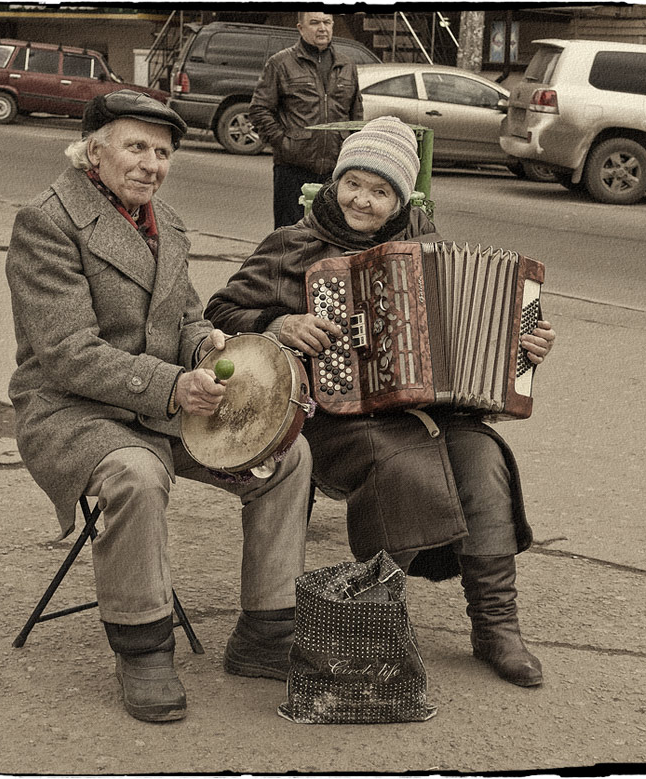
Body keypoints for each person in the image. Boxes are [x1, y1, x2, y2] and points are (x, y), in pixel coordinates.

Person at [206, 116, 557, 688]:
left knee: (484, 459)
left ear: (400, 200)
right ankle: (374, 617)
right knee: (403, 463)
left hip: (427, 410)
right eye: (354, 184)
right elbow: (219, 315)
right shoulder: (290, 245)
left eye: (381, 191)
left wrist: (524, 344)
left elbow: (483, 335)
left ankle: (496, 627)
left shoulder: (428, 249)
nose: (363, 201)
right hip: (331, 413)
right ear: (335, 181)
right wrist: (279, 322)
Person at [5, 90, 312, 723]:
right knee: (137, 473)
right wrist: (175, 385)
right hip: (71, 411)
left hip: (160, 400)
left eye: (163, 152)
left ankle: (266, 631)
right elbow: (66, 354)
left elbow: (186, 320)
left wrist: (208, 342)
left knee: (289, 452)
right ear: (94, 152)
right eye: (136, 146)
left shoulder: (165, 222)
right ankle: (144, 649)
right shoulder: (47, 220)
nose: (151, 163)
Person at [248, 10, 363, 229]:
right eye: (315, 22)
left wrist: (352, 152)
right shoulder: (280, 63)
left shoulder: (347, 65)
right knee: (290, 235)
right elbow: (259, 109)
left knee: (333, 233)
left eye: (327, 22)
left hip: (336, 171)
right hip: (293, 169)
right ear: (300, 28)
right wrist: (284, 143)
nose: (322, 28)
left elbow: (356, 115)